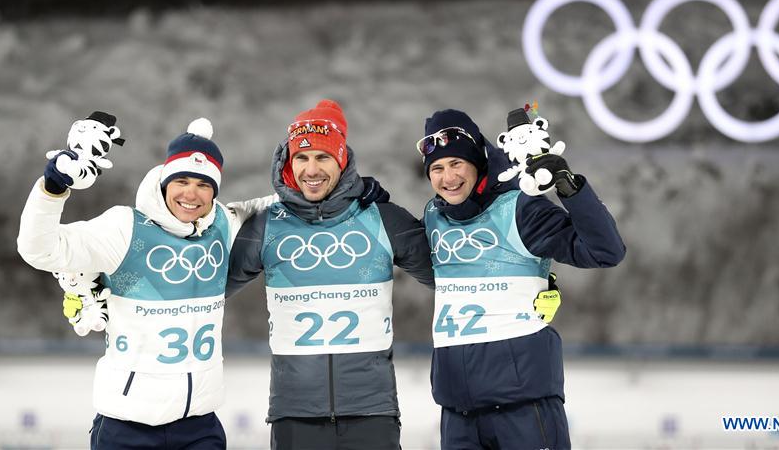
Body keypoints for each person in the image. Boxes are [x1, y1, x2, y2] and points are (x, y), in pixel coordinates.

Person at [17, 116, 257, 449]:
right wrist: (54, 187)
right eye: (182, 180)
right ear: (164, 181)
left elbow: (281, 206)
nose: (191, 193)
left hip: (199, 426)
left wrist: (350, 190)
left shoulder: (224, 224)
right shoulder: (124, 227)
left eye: (203, 184)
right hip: (127, 426)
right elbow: (39, 250)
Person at [225, 99, 436, 450]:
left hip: (372, 413)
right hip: (295, 415)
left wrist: (532, 276)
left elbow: (453, 277)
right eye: (302, 158)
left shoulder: (382, 218)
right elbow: (204, 288)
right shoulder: (266, 226)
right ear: (289, 164)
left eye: (322, 157)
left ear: (342, 160)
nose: (311, 169)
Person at [416, 108, 626, 450]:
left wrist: (569, 188)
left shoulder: (520, 208)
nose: (447, 177)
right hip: (458, 412)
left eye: (457, 164)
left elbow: (606, 251)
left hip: (523, 408)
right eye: (437, 168)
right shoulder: (434, 216)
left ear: (479, 162)